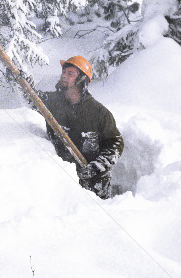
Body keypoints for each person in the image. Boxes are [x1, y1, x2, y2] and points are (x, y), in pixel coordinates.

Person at [33, 55, 123, 199]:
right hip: (62, 184)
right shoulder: (52, 102)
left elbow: (116, 143)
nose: (64, 76)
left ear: (82, 80)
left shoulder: (99, 113)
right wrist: (20, 81)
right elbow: (32, 98)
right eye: (64, 72)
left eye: (70, 74)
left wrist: (96, 166)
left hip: (95, 186)